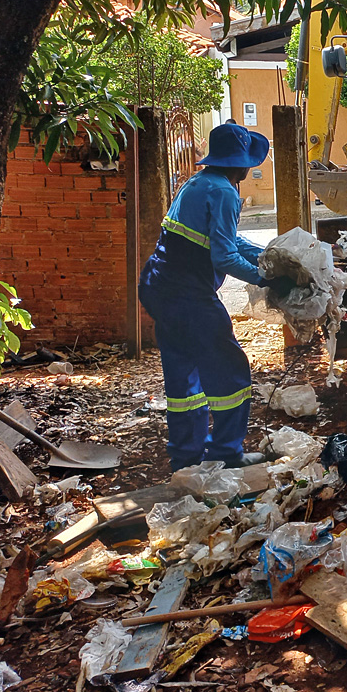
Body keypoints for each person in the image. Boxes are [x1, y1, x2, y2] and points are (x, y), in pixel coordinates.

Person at [138, 122, 272, 471]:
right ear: (238, 163)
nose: (249, 167)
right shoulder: (226, 192)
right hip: (188, 295)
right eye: (247, 161)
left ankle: (186, 458)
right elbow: (224, 257)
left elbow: (228, 241)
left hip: (157, 285)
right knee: (231, 371)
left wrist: (269, 256)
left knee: (183, 374)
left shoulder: (197, 183)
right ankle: (227, 453)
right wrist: (268, 280)